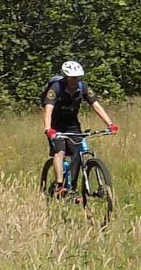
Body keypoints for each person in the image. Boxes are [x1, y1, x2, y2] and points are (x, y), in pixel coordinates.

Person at [41, 60, 117, 192]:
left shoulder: (83, 87)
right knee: (60, 152)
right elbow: (48, 108)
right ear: (66, 76)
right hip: (55, 124)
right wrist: (48, 129)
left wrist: (110, 124)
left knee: (77, 153)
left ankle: (73, 189)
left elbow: (96, 105)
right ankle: (60, 186)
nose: (75, 80)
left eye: (77, 77)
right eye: (72, 77)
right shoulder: (56, 88)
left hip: (72, 124)